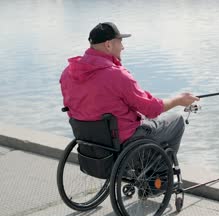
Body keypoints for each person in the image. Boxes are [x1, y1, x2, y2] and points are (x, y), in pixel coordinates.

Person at [60, 22, 199, 155]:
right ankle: (162, 175)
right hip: (123, 142)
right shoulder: (116, 75)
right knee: (176, 121)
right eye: (120, 42)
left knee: (142, 117)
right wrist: (178, 100)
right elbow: (152, 110)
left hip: (90, 142)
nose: (122, 47)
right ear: (108, 44)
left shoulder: (67, 73)